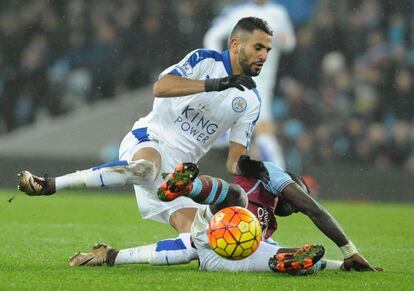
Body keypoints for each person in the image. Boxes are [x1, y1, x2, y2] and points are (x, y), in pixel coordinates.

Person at [17, 17, 273, 266]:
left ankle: (110, 256)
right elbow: (161, 87)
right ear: (236, 45)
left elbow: (233, 162)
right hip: (151, 140)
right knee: (145, 168)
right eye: (258, 47)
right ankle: (48, 184)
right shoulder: (205, 61)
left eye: (268, 50)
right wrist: (216, 84)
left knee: (200, 242)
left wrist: (249, 167)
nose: (264, 56)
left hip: (177, 177)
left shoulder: (251, 100)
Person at [68, 156, 381, 273]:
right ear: (292, 182)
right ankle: (186, 187)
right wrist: (350, 249)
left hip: (221, 252)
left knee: (272, 253)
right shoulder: (269, 173)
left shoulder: (268, 220)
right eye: (300, 194)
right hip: (218, 218)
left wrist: (342, 265)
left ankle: (286, 263)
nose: (299, 206)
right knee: (237, 196)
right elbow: (315, 209)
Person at [204, 0, 296, 168]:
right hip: (244, 77)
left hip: (266, 80)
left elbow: (290, 43)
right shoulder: (237, 11)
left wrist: (284, 40)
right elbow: (212, 36)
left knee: (258, 129)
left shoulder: (278, 12)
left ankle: (223, 134)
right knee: (264, 131)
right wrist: (219, 64)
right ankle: (282, 180)